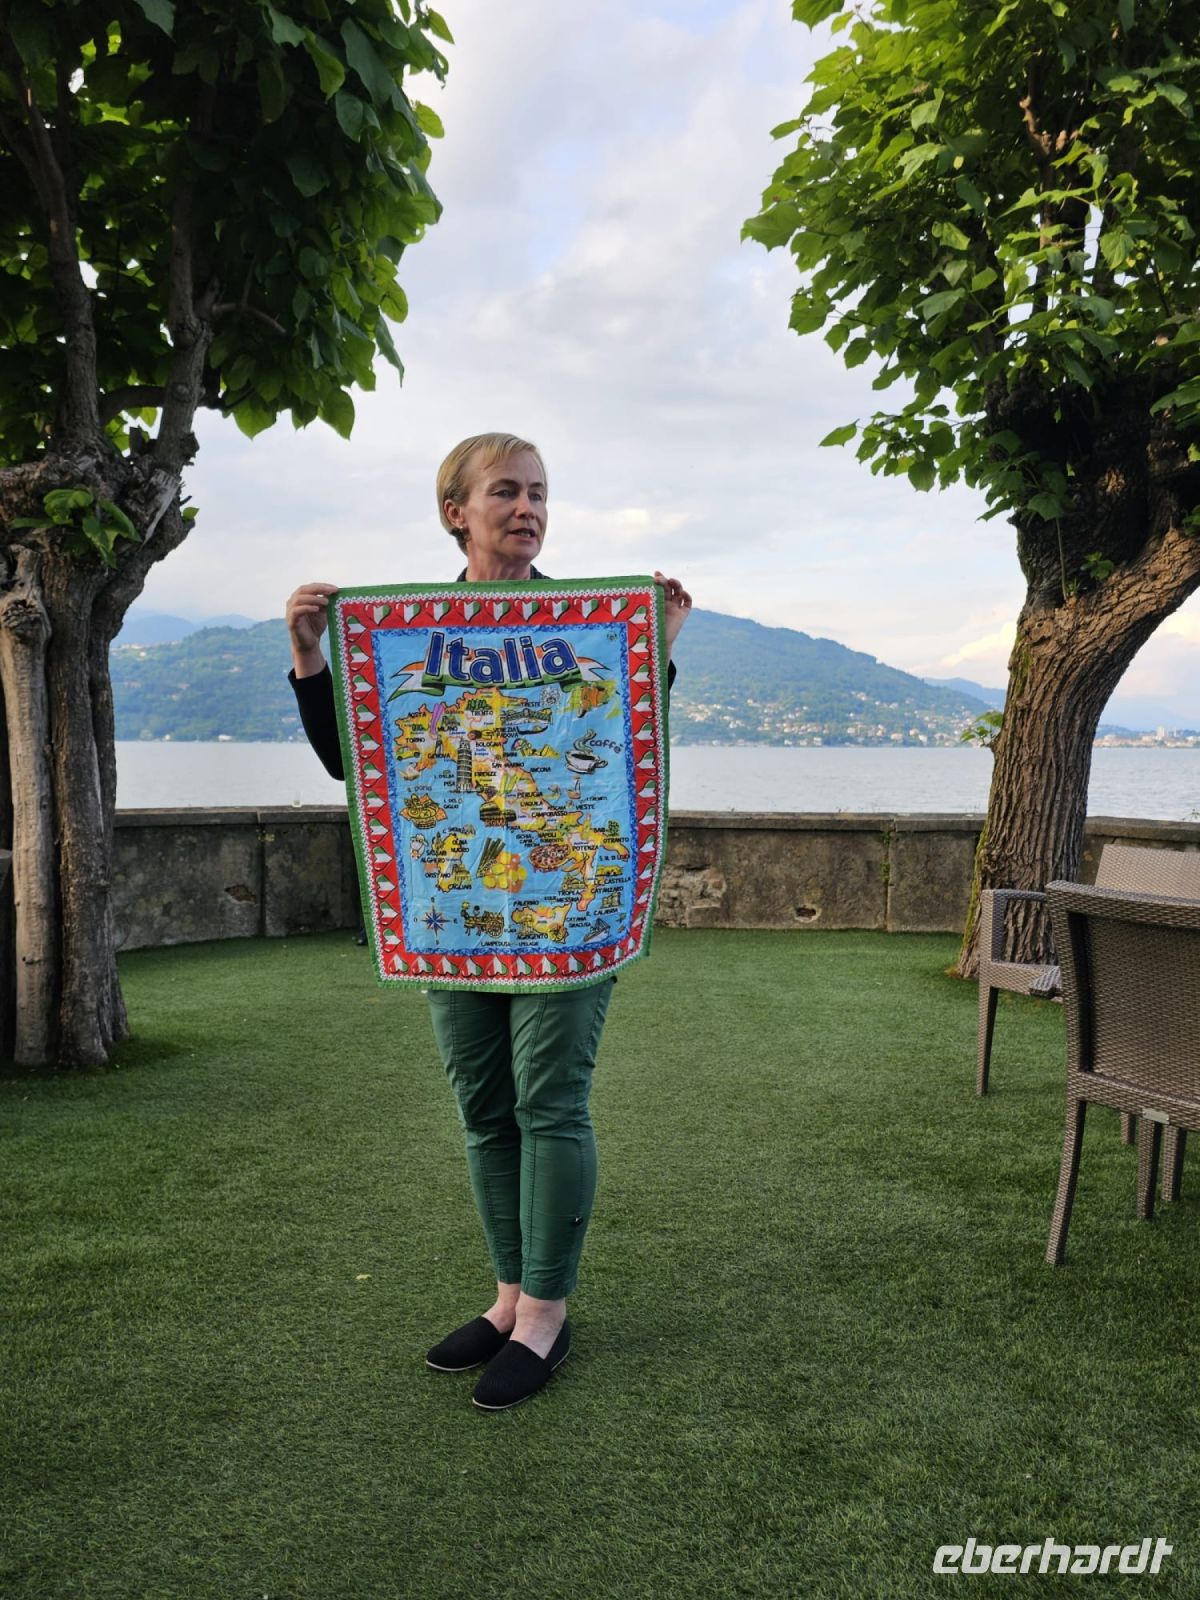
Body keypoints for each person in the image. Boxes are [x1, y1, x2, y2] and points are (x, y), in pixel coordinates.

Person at [285, 432, 691, 1410]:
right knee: (483, 1110)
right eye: (505, 491)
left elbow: (614, 737)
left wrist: (657, 647)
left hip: (566, 912)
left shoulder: (589, 626)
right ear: (455, 512)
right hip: (453, 915)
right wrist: (310, 657)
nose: (526, 508)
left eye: (538, 493)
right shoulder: (403, 637)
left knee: (550, 1103)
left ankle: (547, 1310)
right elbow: (354, 761)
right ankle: (508, 1297)